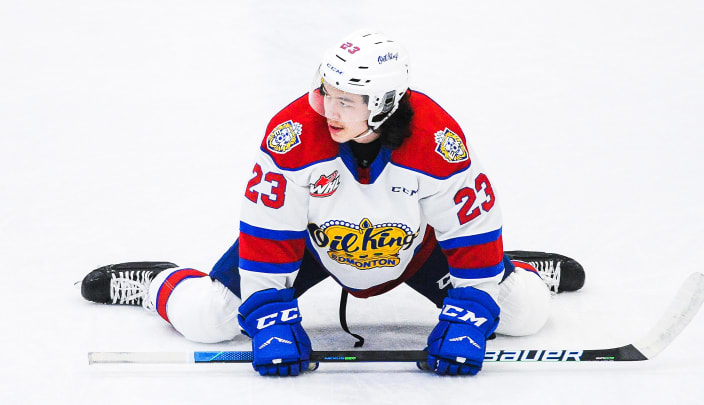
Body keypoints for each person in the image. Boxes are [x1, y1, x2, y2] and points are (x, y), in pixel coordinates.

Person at [80, 29, 585, 377]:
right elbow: (267, 230)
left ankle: (520, 272)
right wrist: (269, 313)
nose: (328, 110)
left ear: (384, 105)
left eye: (346, 100)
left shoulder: (437, 140)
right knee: (210, 320)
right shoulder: (293, 135)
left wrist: (473, 309)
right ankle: (158, 285)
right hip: (312, 248)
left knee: (522, 315)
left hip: (417, 250)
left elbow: (470, 230)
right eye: (327, 93)